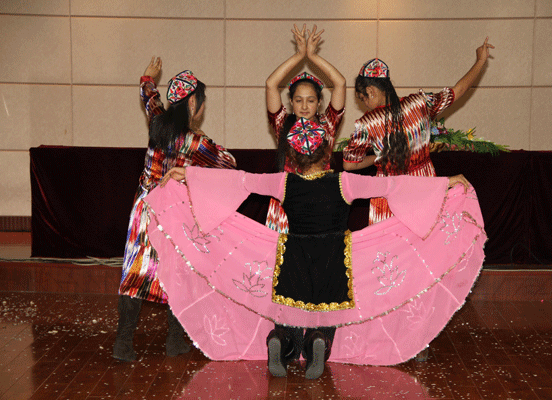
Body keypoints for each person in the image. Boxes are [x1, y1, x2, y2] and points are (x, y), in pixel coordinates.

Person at [146, 118, 486, 380]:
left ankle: (281, 340)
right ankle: (318, 341)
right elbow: (392, 185)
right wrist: (446, 183)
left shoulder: (283, 182)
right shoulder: (345, 182)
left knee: (290, 311)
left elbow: (241, 179)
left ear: (292, 157)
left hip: (293, 256)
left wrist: (186, 174)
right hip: (335, 260)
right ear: (327, 153)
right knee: (327, 313)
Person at [113, 57, 237, 362]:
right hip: (175, 215)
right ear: (193, 102)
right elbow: (230, 163)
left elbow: (149, 97)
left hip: (144, 209)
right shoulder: (196, 142)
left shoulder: (157, 123)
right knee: (180, 274)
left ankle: (123, 343)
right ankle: (174, 341)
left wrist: (148, 78)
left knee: (136, 271)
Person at [343, 38, 495, 225]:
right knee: (427, 240)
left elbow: (349, 164)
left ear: (371, 91)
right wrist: (480, 61)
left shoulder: (367, 124)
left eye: (363, 99)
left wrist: (379, 158)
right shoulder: (420, 103)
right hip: (425, 189)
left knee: (390, 243)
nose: (365, 105)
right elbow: (459, 90)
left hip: (390, 196)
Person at [265, 24, 346, 233]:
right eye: (298, 100)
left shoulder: (327, 125)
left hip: (321, 201)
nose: (304, 106)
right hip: (286, 203)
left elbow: (340, 83)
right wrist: (299, 55)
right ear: (291, 102)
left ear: (319, 103)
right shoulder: (283, 124)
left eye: (310, 100)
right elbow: (271, 84)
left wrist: (312, 56)